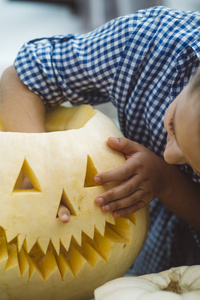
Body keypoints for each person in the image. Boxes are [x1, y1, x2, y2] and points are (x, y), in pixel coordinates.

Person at [1, 6, 200, 274]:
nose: (168, 155)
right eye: (173, 124)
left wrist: (167, 181)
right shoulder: (146, 41)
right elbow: (22, 77)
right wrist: (40, 175)